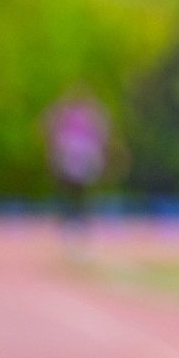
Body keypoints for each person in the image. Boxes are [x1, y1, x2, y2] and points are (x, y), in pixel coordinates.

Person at [44, 90, 111, 252]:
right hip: (69, 164)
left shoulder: (90, 119)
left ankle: (79, 226)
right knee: (70, 195)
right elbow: (49, 126)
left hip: (81, 165)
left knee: (81, 196)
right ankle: (69, 225)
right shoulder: (66, 119)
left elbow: (102, 133)